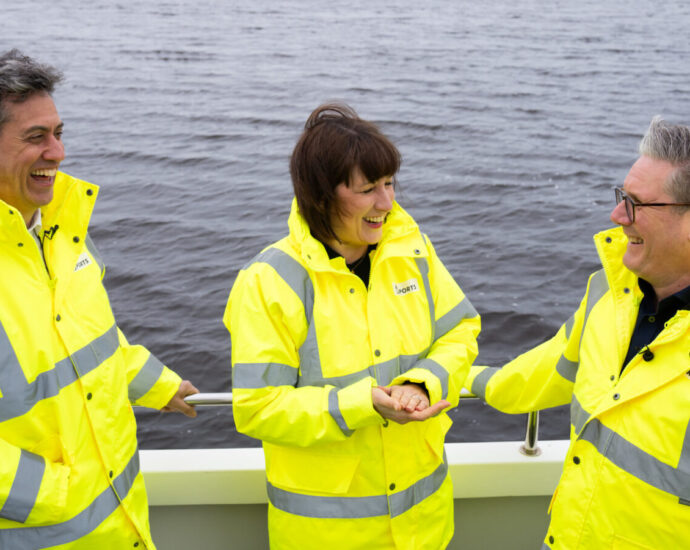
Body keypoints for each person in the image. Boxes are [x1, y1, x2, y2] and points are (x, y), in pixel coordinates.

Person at [224, 103, 480, 549]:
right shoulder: (269, 282)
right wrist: (362, 405)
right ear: (321, 195)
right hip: (327, 537)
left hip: (425, 529)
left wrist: (423, 383)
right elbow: (257, 407)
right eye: (367, 190)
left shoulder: (414, 253)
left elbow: (460, 332)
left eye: (389, 184)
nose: (387, 203)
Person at [0, 49, 199, 549]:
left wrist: (158, 385)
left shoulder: (64, 233)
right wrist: (57, 493)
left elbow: (91, 343)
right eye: (35, 138)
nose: (58, 153)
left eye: (58, 133)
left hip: (122, 524)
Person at [466, 116, 690, 549]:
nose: (617, 215)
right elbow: (555, 366)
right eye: (621, 196)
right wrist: (458, 376)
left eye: (636, 203)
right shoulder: (610, 292)